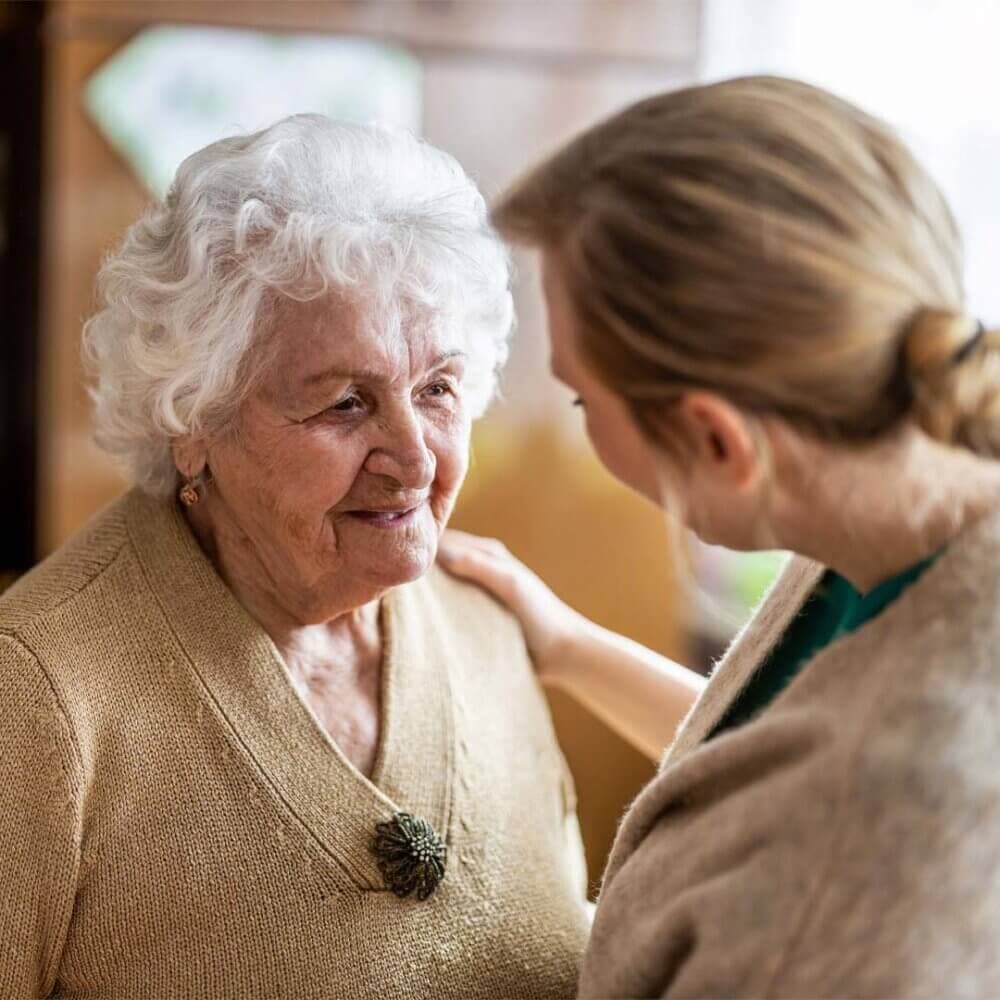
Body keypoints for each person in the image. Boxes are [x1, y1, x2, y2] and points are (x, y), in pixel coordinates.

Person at [0, 114, 591, 999]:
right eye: (346, 404)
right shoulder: (39, 695)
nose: (416, 457)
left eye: (438, 389)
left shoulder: (489, 629)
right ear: (193, 421)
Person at [439, 75, 1000, 997]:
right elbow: (772, 761)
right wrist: (567, 647)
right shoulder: (886, 490)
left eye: (581, 396)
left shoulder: (874, 851)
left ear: (714, 439)